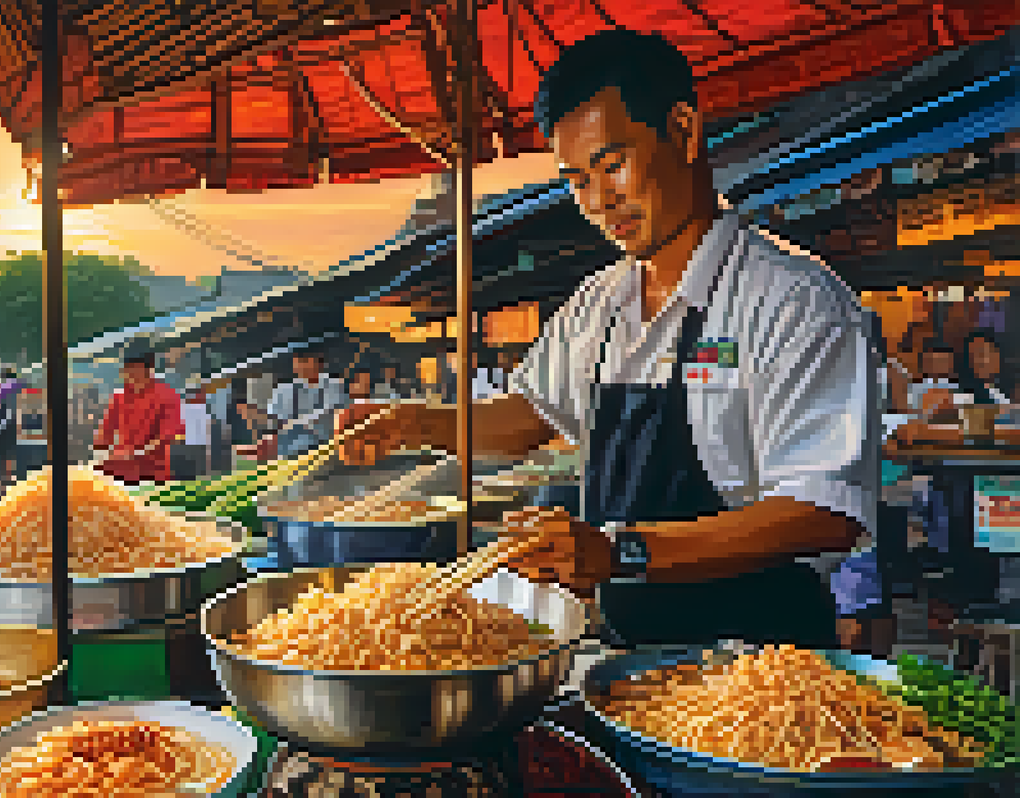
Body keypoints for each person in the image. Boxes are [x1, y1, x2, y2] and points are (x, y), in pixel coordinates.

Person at [336, 29, 877, 648]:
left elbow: (824, 513)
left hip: (761, 665)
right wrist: (411, 425)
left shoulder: (794, 300)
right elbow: (528, 417)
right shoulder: (598, 305)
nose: (598, 203)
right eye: (575, 181)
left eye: (611, 166)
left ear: (684, 130)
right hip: (628, 664)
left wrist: (623, 551)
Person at [95, 352, 183, 484]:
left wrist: (136, 454)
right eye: (128, 371)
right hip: (118, 471)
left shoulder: (167, 395)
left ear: (149, 370)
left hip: (152, 473)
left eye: (136, 371)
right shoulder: (119, 396)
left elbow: (168, 435)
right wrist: (100, 455)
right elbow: (105, 432)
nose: (131, 376)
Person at [262, 352, 347, 459]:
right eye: (297, 361)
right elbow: (275, 422)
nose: (300, 366)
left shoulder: (333, 386)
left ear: (318, 362)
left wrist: (293, 425)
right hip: (289, 455)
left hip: (324, 449)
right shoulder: (284, 390)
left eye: (305, 361)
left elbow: (328, 418)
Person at [176, 381, 212, 481]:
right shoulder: (200, 408)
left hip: (187, 443)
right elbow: (205, 430)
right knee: (198, 472)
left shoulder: (183, 407)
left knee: (188, 472)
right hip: (196, 444)